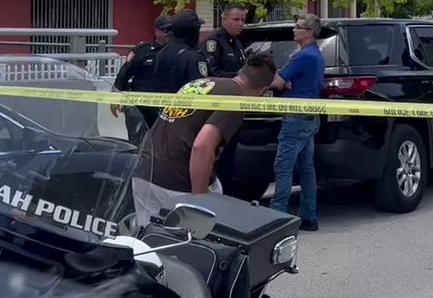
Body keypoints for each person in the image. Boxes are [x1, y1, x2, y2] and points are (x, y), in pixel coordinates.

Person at [130, 51, 277, 225]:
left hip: (145, 170)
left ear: (241, 72)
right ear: (262, 91)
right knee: (194, 242)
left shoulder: (203, 82)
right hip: (176, 181)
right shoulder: (236, 100)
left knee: (149, 242)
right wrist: (200, 199)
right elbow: (202, 146)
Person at [268, 13, 325, 232]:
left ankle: (277, 219)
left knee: (283, 167)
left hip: (295, 118)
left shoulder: (302, 56)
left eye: (298, 26)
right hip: (310, 116)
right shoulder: (316, 55)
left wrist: (282, 81)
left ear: (309, 32)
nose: (294, 29)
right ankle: (309, 215)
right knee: (306, 168)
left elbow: (277, 82)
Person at [204, 4, 248, 185]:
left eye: (243, 20)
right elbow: (211, 72)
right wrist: (238, 79)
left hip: (236, 107)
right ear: (224, 20)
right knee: (219, 157)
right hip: (219, 108)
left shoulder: (237, 43)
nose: (240, 24)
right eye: (236, 20)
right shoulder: (214, 42)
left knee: (231, 156)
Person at [111, 15, 172, 142]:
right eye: (165, 30)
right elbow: (123, 75)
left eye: (171, 30)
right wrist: (114, 98)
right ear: (156, 31)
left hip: (165, 105)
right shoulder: (142, 51)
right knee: (138, 143)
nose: (168, 34)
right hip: (140, 106)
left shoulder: (175, 52)